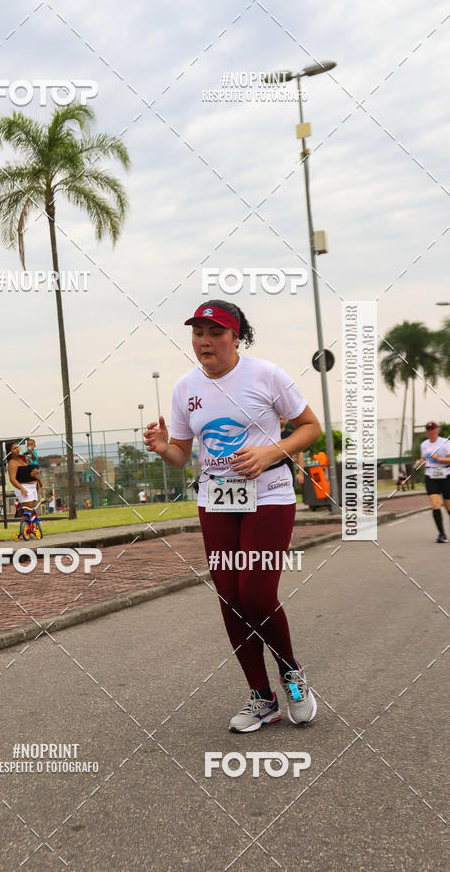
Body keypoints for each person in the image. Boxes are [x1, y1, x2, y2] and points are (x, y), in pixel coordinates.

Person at [145, 300, 322, 732]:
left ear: (236, 336)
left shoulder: (266, 375)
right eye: (198, 333)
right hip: (217, 499)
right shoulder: (186, 386)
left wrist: (269, 451)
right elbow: (182, 455)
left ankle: (292, 674)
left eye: (216, 332)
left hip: (270, 494)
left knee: (257, 593)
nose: (204, 341)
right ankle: (262, 697)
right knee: (231, 599)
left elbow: (310, 426)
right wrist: (163, 445)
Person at [415, 421, 450, 543]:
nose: (430, 432)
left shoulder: (445, 442)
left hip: (446, 476)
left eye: (432, 429)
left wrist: (439, 458)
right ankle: (441, 534)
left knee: (448, 506)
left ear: (437, 430)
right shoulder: (424, 444)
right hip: (431, 476)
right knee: (435, 504)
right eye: (428, 430)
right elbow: (424, 458)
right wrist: (419, 462)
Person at [7, 442, 42, 538]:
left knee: (30, 511)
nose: (17, 449)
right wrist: (21, 488)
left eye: (17, 447)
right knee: (27, 511)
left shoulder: (24, 458)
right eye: (14, 448)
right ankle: (23, 533)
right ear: (9, 452)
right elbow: (12, 479)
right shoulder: (12, 463)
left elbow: (33, 466)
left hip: (33, 486)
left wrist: (37, 472)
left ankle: (26, 531)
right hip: (23, 487)